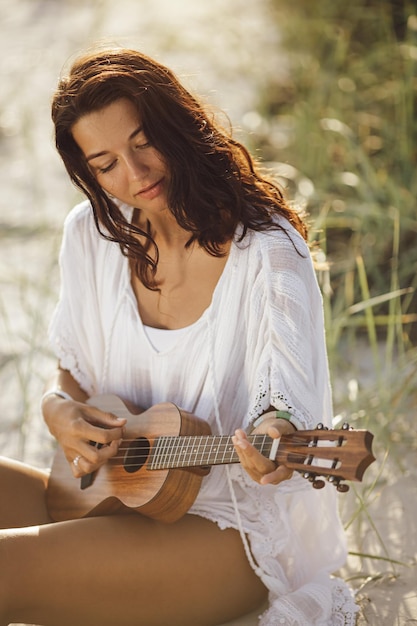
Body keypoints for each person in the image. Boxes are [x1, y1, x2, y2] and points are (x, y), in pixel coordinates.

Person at [0, 47, 359, 626]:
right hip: (113, 496)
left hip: (229, 535)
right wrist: (56, 409)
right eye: (106, 162)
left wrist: (273, 443)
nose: (135, 174)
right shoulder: (92, 236)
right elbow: (72, 376)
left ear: (178, 124)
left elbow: (284, 409)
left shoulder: (267, 252)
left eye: (143, 141)